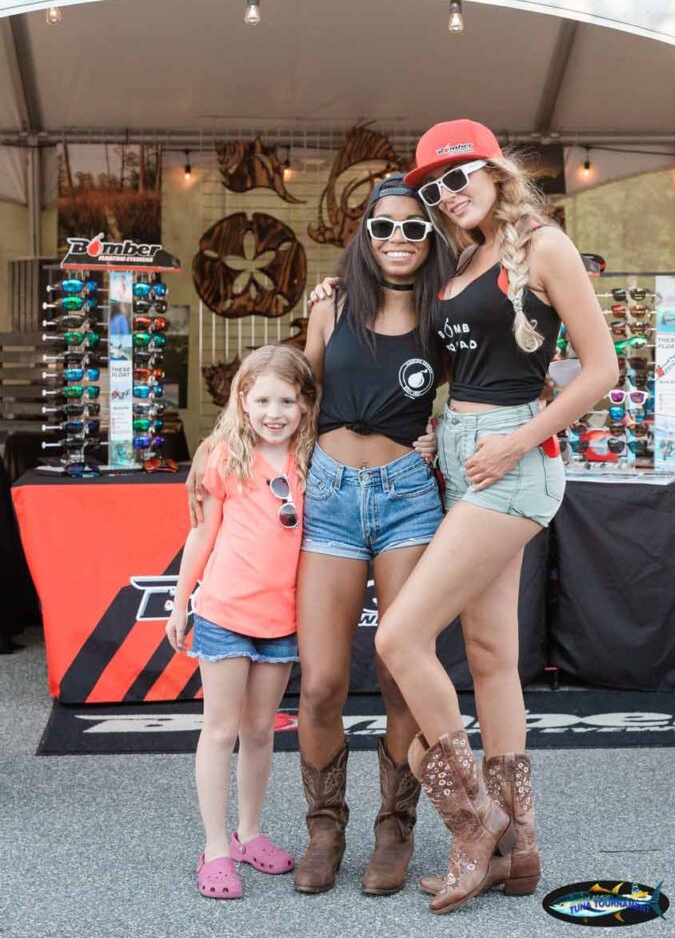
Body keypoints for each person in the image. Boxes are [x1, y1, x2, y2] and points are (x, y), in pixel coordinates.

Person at [367, 120, 619, 915]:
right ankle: (521, 847)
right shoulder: (464, 257)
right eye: (434, 186)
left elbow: (603, 368)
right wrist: (450, 424)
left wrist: (513, 442)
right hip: (468, 453)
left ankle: (474, 824)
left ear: (495, 169)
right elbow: (469, 365)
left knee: (399, 637)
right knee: (488, 655)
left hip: (515, 461)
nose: (448, 192)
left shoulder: (543, 245)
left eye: (459, 174)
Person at [187, 174, 453, 897]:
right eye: (383, 227)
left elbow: (477, 390)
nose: (397, 239)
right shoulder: (334, 304)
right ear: (364, 236)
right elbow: (301, 398)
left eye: (412, 228)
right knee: (324, 683)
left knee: (401, 675)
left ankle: (393, 830)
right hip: (332, 498)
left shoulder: (443, 312)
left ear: (430, 241)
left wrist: (441, 441)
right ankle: (324, 828)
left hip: (406, 500)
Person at [167, 345, 319, 900]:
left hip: (280, 620)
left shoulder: (311, 460)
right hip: (226, 613)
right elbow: (201, 534)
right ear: (241, 401)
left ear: (305, 405)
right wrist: (181, 601)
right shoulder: (222, 456)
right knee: (220, 729)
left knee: (260, 732)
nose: (273, 411)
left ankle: (250, 833)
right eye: (261, 399)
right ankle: (215, 848)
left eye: (286, 399)